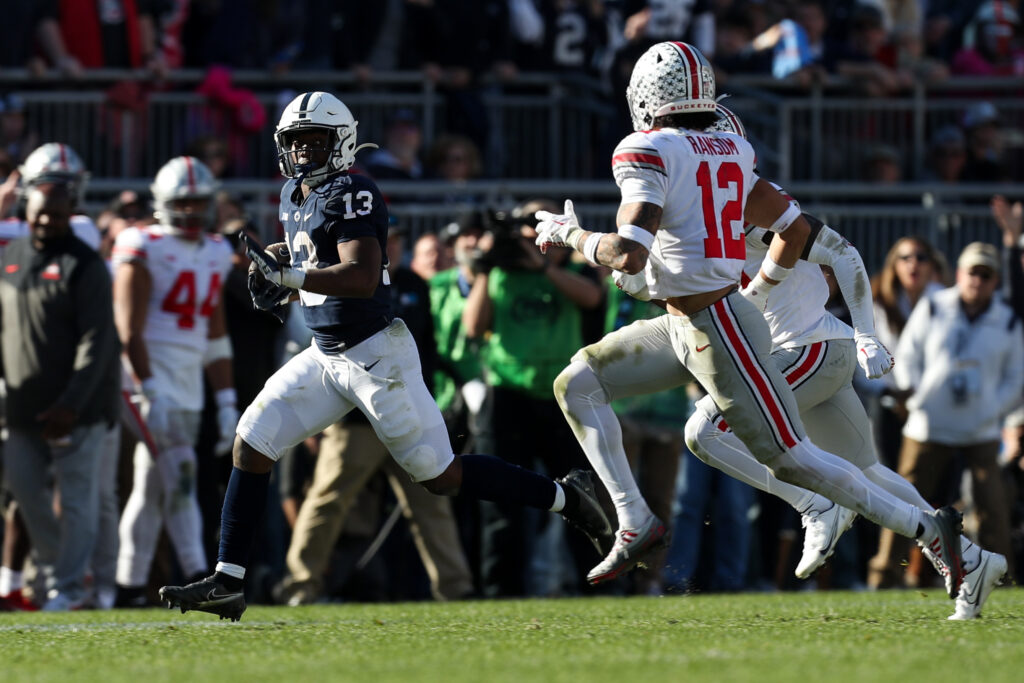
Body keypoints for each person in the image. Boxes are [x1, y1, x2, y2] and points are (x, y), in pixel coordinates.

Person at [159, 92, 611, 621]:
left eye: (314, 140)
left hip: (376, 355)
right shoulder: (294, 193)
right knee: (252, 441)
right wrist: (280, 262)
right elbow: (310, 254)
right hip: (326, 352)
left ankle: (567, 498)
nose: (303, 152)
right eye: (295, 142)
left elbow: (360, 273)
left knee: (439, 475)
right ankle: (229, 580)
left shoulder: (354, 190)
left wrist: (293, 277)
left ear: (342, 141)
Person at [536, 42, 966, 596]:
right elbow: (674, 259)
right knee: (578, 383)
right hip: (693, 321)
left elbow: (631, 252)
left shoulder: (649, 149)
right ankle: (634, 520)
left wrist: (570, 235)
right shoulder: (729, 154)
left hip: (740, 327)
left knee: (793, 459)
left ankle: (930, 529)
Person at [682, 106, 1009, 620]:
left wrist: (867, 336)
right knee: (867, 471)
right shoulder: (707, 206)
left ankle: (814, 503)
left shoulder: (751, 200)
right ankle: (970, 561)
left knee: (704, 431)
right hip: (811, 348)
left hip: (807, 347)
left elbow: (846, 254)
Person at [276, 222, 473, 605]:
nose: (392, 249)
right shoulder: (343, 280)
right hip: (355, 420)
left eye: (397, 241)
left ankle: (455, 586)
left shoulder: (415, 284)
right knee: (327, 501)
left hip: (406, 412)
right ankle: (299, 586)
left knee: (433, 501)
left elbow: (426, 351)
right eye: (385, 241)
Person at [111, 156, 238, 606]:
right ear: (162, 203)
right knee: (182, 474)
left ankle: (126, 590)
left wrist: (226, 401)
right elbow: (128, 330)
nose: (190, 210)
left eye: (198, 202)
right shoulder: (141, 244)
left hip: (186, 383)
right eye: (181, 202)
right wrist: (148, 387)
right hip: (145, 380)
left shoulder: (217, 251)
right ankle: (201, 580)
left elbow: (215, 334)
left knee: (152, 489)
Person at [462, 200, 605, 597]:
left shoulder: (573, 269)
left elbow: (592, 298)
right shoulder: (499, 273)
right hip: (507, 396)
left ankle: (595, 586)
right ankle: (498, 591)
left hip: (562, 398)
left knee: (583, 496)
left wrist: (543, 267)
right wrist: (488, 266)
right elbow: (473, 325)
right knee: (499, 501)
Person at [869, 242, 1021, 604]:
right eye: (972, 272)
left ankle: (1005, 581)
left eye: (986, 275)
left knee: (993, 503)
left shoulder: (1008, 319)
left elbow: (1016, 377)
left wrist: (992, 409)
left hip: (979, 426)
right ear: (959, 273)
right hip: (930, 422)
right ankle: (883, 575)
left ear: (995, 280)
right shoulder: (935, 306)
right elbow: (906, 356)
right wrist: (918, 398)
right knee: (904, 497)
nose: (977, 281)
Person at [0, 182, 121, 611]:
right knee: (24, 491)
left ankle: (69, 589)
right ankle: (61, 574)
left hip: (79, 410)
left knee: (77, 501)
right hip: (20, 409)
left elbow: (98, 341)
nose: (47, 221)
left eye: (56, 213)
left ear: (72, 212)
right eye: (40, 213)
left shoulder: (85, 265)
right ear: (26, 211)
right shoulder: (10, 257)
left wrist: (71, 403)